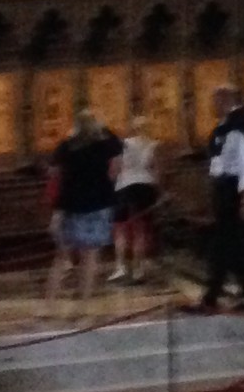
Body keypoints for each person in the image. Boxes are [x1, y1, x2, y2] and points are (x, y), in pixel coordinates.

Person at [197, 85, 244, 312]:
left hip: (233, 190)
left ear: (225, 100)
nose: (212, 106)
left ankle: (212, 296)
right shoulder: (227, 126)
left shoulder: (238, 127)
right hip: (224, 189)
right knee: (233, 246)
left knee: (223, 245)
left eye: (215, 101)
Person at [48, 104, 121, 305]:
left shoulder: (66, 146)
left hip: (70, 204)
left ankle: (49, 303)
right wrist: (103, 127)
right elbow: (116, 159)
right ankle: (85, 302)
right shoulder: (104, 145)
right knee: (91, 257)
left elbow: (54, 174)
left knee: (61, 257)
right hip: (99, 203)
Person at [110, 128, 160, 285]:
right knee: (141, 230)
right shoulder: (152, 144)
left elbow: (115, 169)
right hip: (145, 186)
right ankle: (139, 270)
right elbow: (156, 170)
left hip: (124, 186)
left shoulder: (123, 144)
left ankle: (121, 266)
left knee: (120, 229)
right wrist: (158, 189)